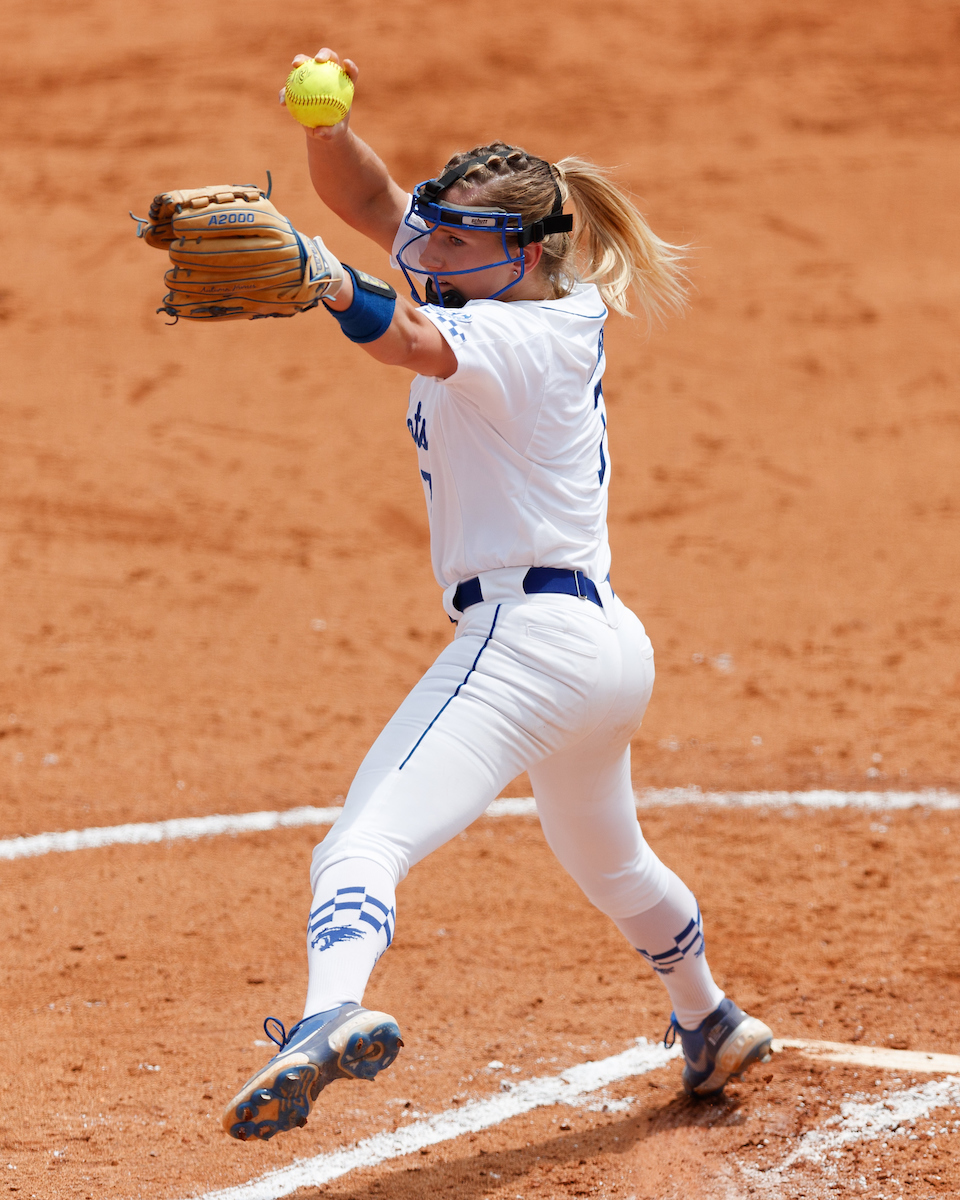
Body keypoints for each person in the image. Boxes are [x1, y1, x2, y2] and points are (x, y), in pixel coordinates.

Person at [221, 48, 773, 1144]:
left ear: (520, 253)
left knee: (361, 844)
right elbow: (371, 202)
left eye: (453, 240)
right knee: (613, 861)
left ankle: (330, 1010)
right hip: (603, 648)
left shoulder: (519, 334)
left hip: (525, 644)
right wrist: (326, 130)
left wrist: (328, 280)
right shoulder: (498, 276)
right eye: (433, 231)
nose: (426, 249)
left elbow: (405, 339)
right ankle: (708, 1018)